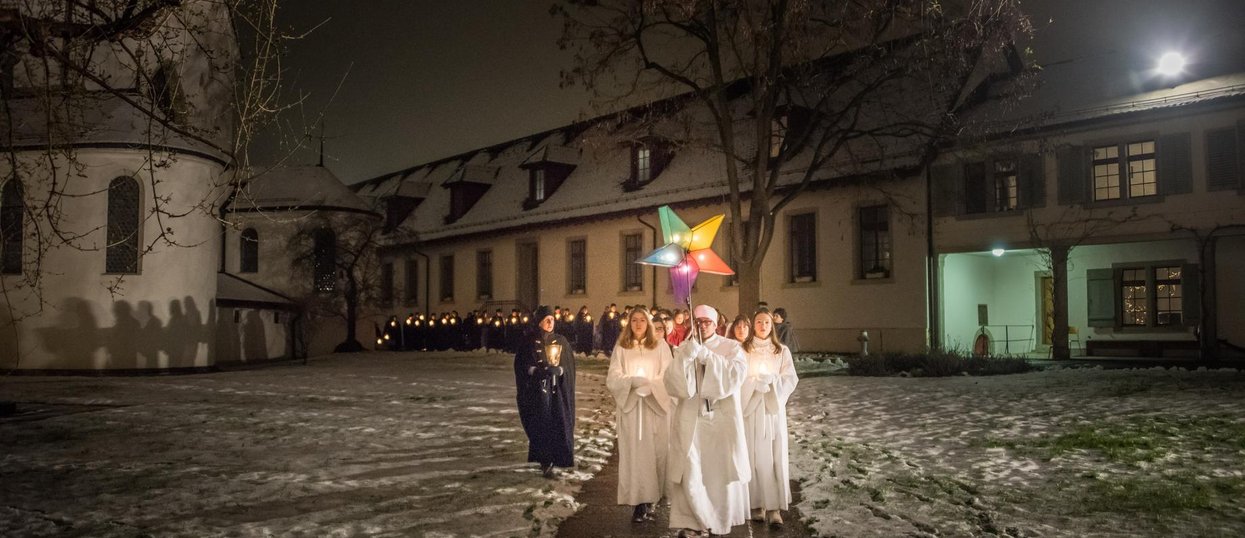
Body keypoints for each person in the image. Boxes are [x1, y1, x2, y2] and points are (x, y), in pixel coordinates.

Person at [665, 304, 750, 537]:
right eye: (698, 322)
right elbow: (672, 383)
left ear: (715, 324)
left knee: (715, 472)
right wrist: (686, 358)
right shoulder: (685, 347)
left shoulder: (730, 347)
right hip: (691, 419)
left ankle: (716, 519)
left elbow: (735, 376)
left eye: (707, 322)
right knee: (691, 470)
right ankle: (692, 522)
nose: (702, 326)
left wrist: (708, 358)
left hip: (719, 421)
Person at [607, 307, 673, 523]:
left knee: (657, 453)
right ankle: (638, 502)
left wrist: (652, 386)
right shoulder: (622, 347)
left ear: (649, 324)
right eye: (634, 320)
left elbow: (668, 374)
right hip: (633, 408)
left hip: (655, 407)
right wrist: (632, 382)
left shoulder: (661, 346)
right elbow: (613, 376)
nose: (637, 324)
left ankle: (653, 498)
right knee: (636, 456)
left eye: (642, 320)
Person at [740, 310, 798, 526]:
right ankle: (757, 504)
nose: (763, 325)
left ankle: (774, 508)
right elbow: (738, 377)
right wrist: (754, 384)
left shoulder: (781, 351)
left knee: (773, 457)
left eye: (766, 322)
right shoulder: (744, 349)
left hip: (772, 410)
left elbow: (790, 378)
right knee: (753, 456)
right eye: (758, 322)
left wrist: (773, 383)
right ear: (753, 325)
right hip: (752, 409)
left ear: (771, 325)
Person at [513, 305, 577, 478]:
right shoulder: (529, 341)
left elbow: (569, 367)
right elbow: (522, 366)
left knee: (559, 423)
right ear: (539, 322)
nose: (550, 323)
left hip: (558, 393)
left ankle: (560, 458)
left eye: (552, 320)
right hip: (539, 393)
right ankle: (545, 460)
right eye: (546, 320)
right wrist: (537, 372)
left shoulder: (561, 341)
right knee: (542, 425)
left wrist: (560, 371)